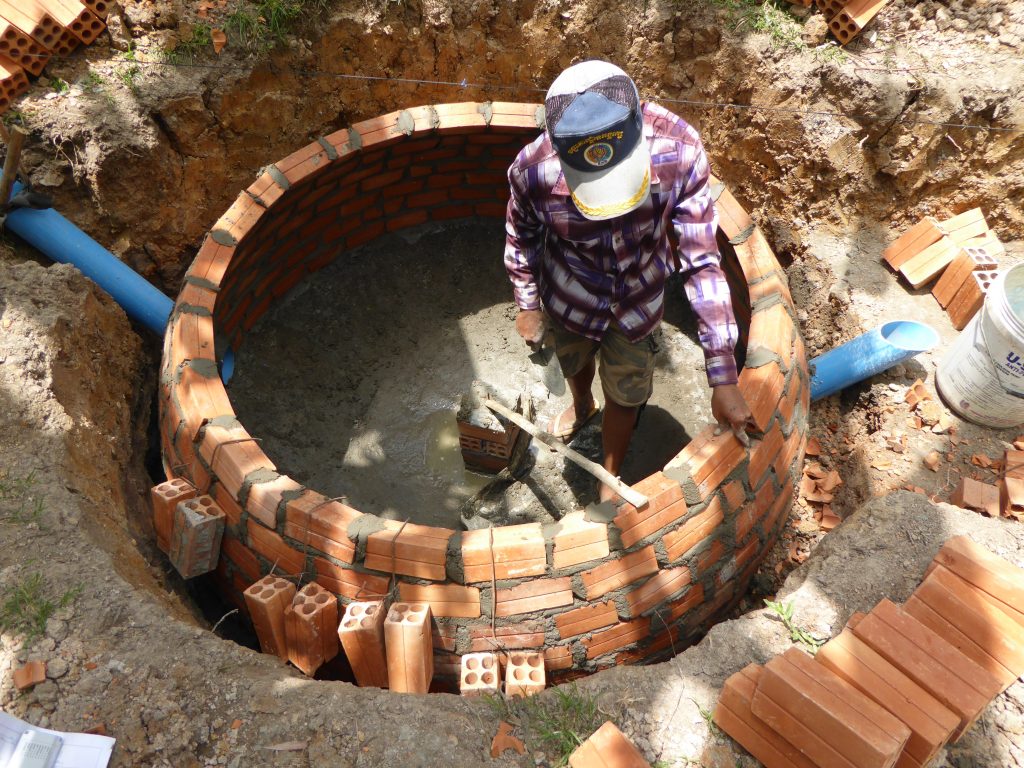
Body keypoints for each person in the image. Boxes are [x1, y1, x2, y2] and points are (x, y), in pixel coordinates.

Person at [503, 59, 754, 503]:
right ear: (562, 155)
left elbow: (702, 263)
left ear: (638, 129)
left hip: (638, 301)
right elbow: (520, 236)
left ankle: (610, 472)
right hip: (571, 295)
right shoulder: (533, 171)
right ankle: (583, 408)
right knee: (574, 361)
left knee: (627, 388)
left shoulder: (679, 152)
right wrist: (527, 302)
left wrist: (724, 374)